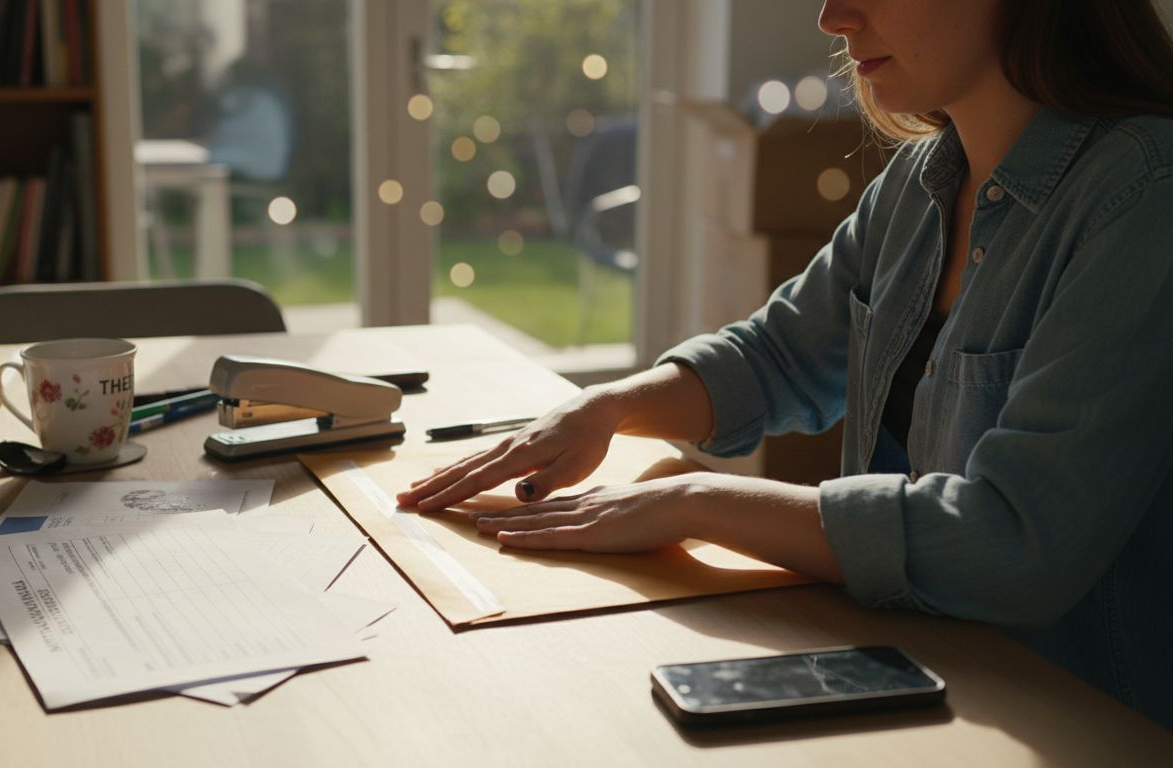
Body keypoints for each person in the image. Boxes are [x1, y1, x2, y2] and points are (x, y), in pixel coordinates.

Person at [397, 0, 1173, 730]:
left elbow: (1016, 543)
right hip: (938, 681)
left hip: (1084, 724)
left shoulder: (1145, 198)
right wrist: (605, 409)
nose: (831, 16)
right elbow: (777, 356)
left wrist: (697, 500)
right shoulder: (918, 180)